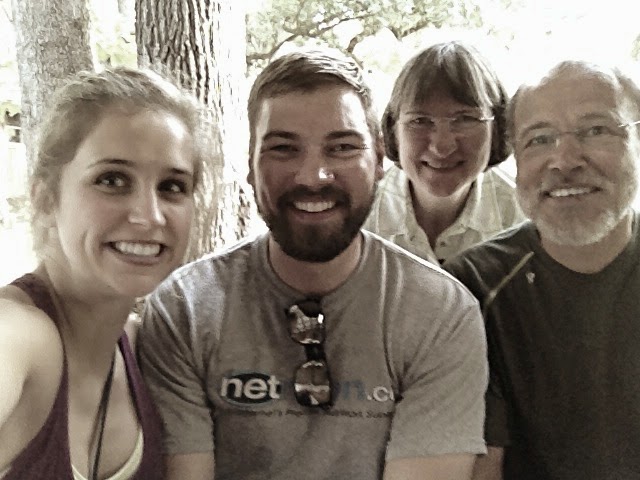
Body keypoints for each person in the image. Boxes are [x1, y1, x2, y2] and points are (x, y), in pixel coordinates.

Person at [138, 48, 488, 480]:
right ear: (250, 165)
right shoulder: (184, 310)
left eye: (341, 148)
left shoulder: (439, 314)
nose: (312, 176)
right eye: (284, 149)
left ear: (379, 161)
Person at [0, 66, 206, 479]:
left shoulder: (148, 352)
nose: (149, 216)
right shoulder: (22, 333)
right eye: (112, 180)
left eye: (172, 187)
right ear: (46, 199)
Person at [444, 60, 640, 479]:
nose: (564, 160)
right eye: (539, 139)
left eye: (596, 130)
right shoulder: (473, 290)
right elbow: (482, 468)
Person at [363, 41, 525, 264]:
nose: (442, 146)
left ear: (497, 128)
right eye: (420, 121)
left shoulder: (524, 217)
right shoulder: (360, 216)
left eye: (465, 119)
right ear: (393, 130)